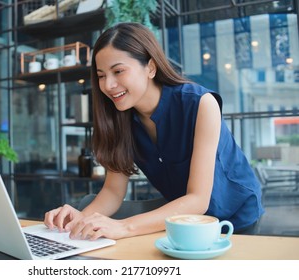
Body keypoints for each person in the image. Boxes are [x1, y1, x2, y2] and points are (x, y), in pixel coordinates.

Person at [44, 22, 264, 240]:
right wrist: (80, 219)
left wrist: (123, 227)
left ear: (150, 67)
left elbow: (198, 199)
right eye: (101, 76)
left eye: (118, 71)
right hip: (184, 222)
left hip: (236, 216)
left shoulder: (200, 104)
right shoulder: (120, 118)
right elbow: (113, 191)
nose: (108, 85)